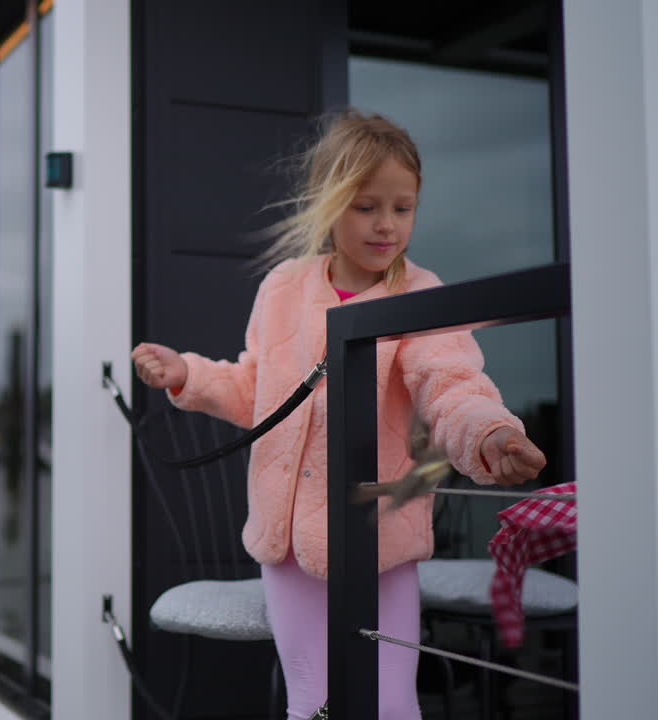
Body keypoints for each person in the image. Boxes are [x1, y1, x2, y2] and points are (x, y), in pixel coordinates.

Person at [130, 108, 547, 720]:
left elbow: (452, 387)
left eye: (403, 208)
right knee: (314, 702)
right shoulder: (283, 286)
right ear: (329, 204)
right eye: (365, 207)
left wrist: (490, 433)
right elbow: (257, 390)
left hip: (381, 542)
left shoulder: (420, 293)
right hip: (288, 545)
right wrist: (188, 374)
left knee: (391, 704)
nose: (386, 225)